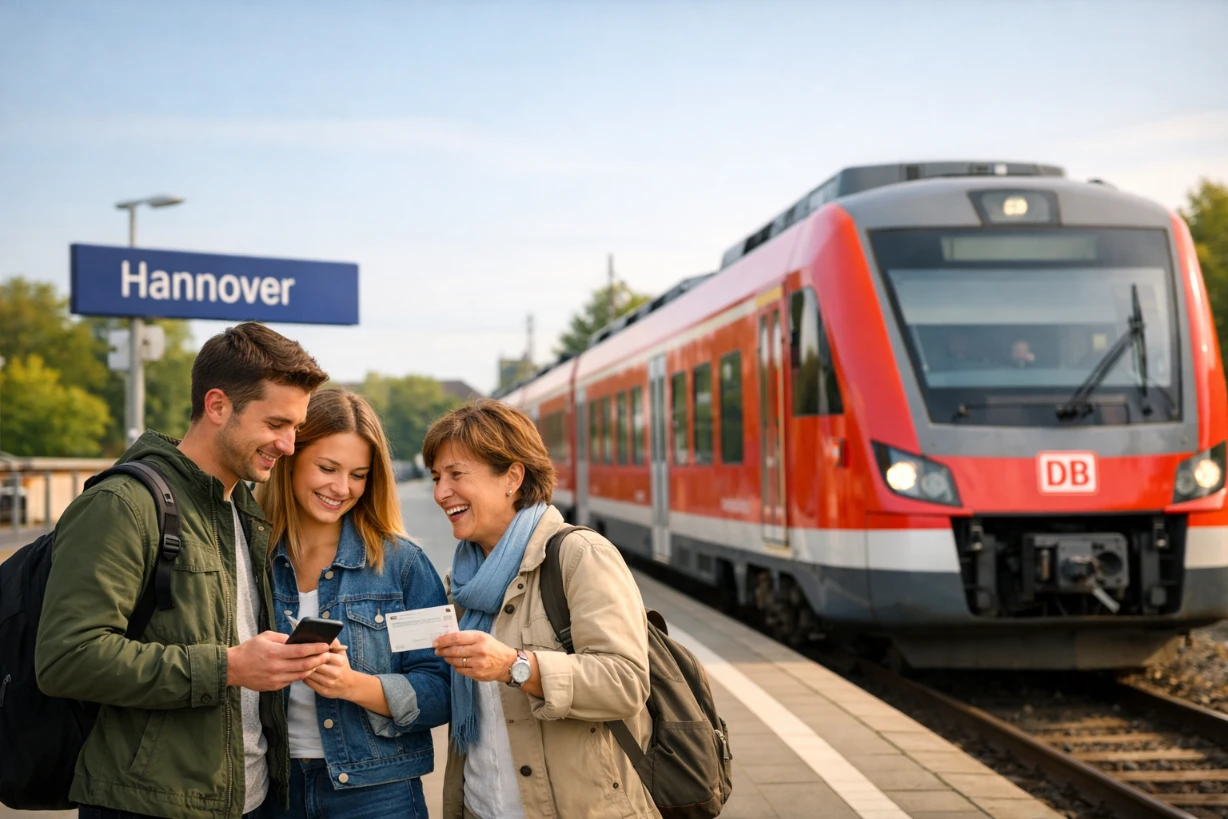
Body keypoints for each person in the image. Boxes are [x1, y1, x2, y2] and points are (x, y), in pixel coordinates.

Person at [35, 322, 332, 819]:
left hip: (251, 798)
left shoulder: (242, 507)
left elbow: (221, 633)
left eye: (296, 428)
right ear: (217, 406)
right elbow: (68, 658)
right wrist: (230, 667)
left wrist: (288, 656)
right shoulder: (122, 505)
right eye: (276, 424)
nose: (288, 444)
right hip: (151, 804)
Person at [424, 400, 656, 819]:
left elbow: (626, 681)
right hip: (480, 807)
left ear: (512, 476)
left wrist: (516, 666)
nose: (441, 492)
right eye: (437, 477)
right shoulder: (460, 583)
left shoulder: (580, 555)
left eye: (457, 474)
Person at [255, 389, 451, 819]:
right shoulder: (248, 557)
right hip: (266, 790)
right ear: (289, 458)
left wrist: (353, 685)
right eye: (327, 468)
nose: (341, 488)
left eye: (358, 474)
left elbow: (442, 690)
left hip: (378, 793)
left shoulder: (403, 565)